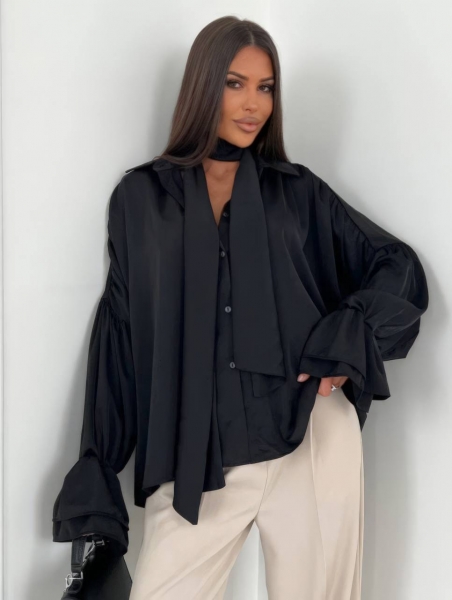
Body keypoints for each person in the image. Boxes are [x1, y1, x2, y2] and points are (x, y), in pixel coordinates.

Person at [52, 15, 429, 600]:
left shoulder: (298, 193)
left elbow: (396, 265)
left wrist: (346, 338)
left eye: (266, 87)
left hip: (308, 434)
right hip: (196, 455)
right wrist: (97, 488)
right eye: (235, 83)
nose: (254, 104)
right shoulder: (140, 199)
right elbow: (121, 342)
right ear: (203, 85)